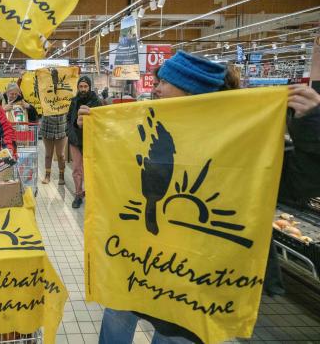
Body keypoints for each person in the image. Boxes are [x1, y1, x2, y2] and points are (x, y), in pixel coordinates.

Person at [77, 51, 320, 343]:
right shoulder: (146, 125)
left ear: (190, 89)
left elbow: (300, 185)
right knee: (119, 311)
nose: (154, 88)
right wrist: (94, 126)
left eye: (163, 82)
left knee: (172, 333)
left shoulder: (243, 138)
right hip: (140, 257)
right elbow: (113, 170)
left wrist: (309, 124)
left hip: (194, 276)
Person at [67, 76, 102, 208]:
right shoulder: (74, 101)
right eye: (80, 87)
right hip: (75, 140)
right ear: (78, 87)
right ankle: (78, 194)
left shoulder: (96, 101)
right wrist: (69, 131)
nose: (83, 89)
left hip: (90, 141)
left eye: (85, 86)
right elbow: (68, 117)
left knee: (90, 169)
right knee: (77, 168)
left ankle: (91, 194)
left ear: (89, 87)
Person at [40, 113, 66, 185]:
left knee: (61, 155)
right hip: (47, 126)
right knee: (48, 154)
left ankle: (61, 176)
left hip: (61, 126)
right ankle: (47, 176)